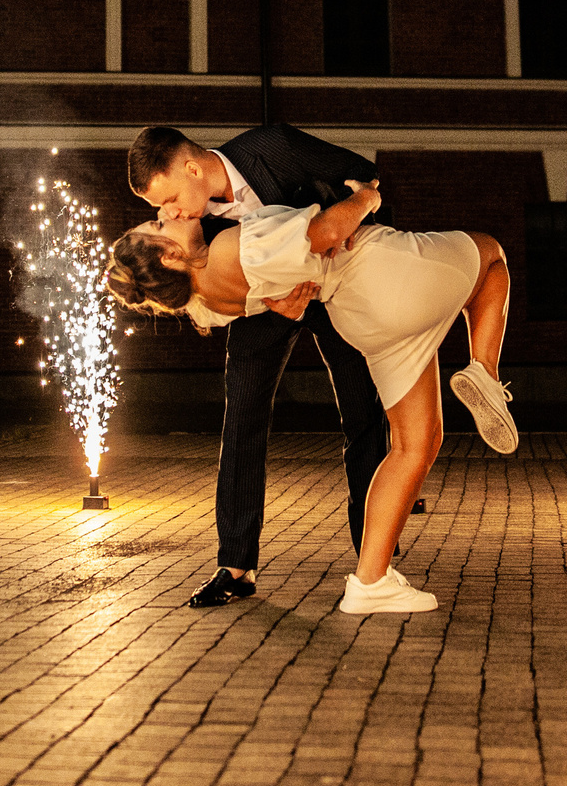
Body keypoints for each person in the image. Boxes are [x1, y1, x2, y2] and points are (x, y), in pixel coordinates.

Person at [108, 175, 515, 614]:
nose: (166, 214)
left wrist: (279, 300)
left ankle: (371, 582)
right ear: (170, 256)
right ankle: (485, 371)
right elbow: (328, 233)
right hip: (379, 274)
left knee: (413, 446)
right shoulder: (233, 246)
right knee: (492, 257)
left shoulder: (202, 299)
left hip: (360, 319)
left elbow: (265, 289)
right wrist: (367, 196)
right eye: (158, 226)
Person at [126, 123, 390, 609]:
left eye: (170, 200)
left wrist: (355, 236)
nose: (170, 213)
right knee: (241, 421)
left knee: (362, 415)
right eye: (159, 211)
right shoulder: (191, 226)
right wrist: (269, 304)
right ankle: (236, 566)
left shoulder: (272, 147)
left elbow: (363, 176)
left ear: (192, 167)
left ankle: (375, 560)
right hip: (261, 310)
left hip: (337, 292)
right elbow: (201, 292)